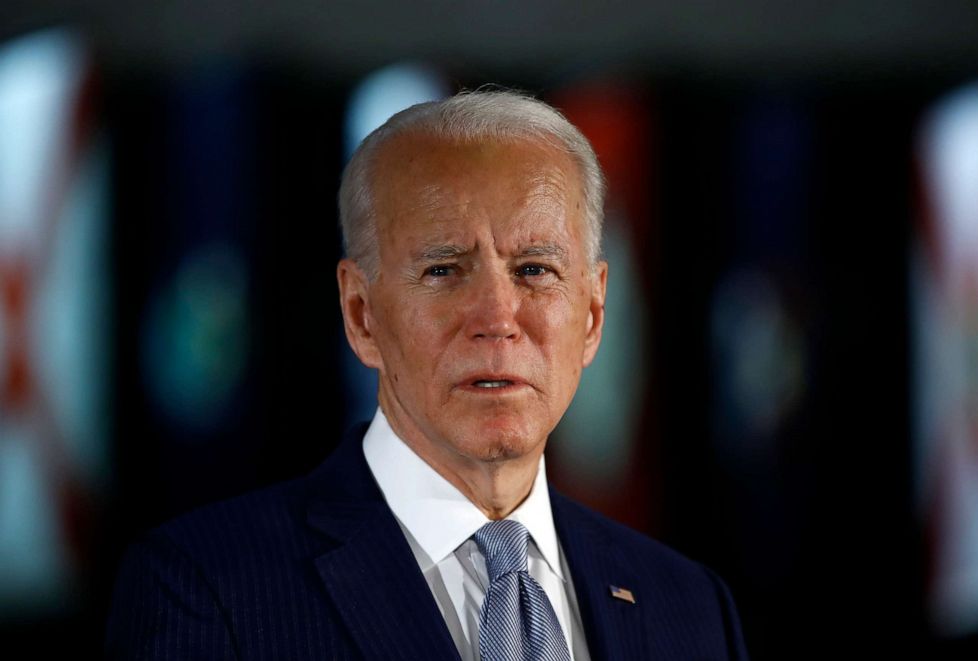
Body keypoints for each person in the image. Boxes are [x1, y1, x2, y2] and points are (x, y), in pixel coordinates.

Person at [106, 90, 748, 660]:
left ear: (593, 314)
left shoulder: (689, 609)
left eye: (534, 270)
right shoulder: (206, 589)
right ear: (361, 315)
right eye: (444, 270)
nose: (498, 317)